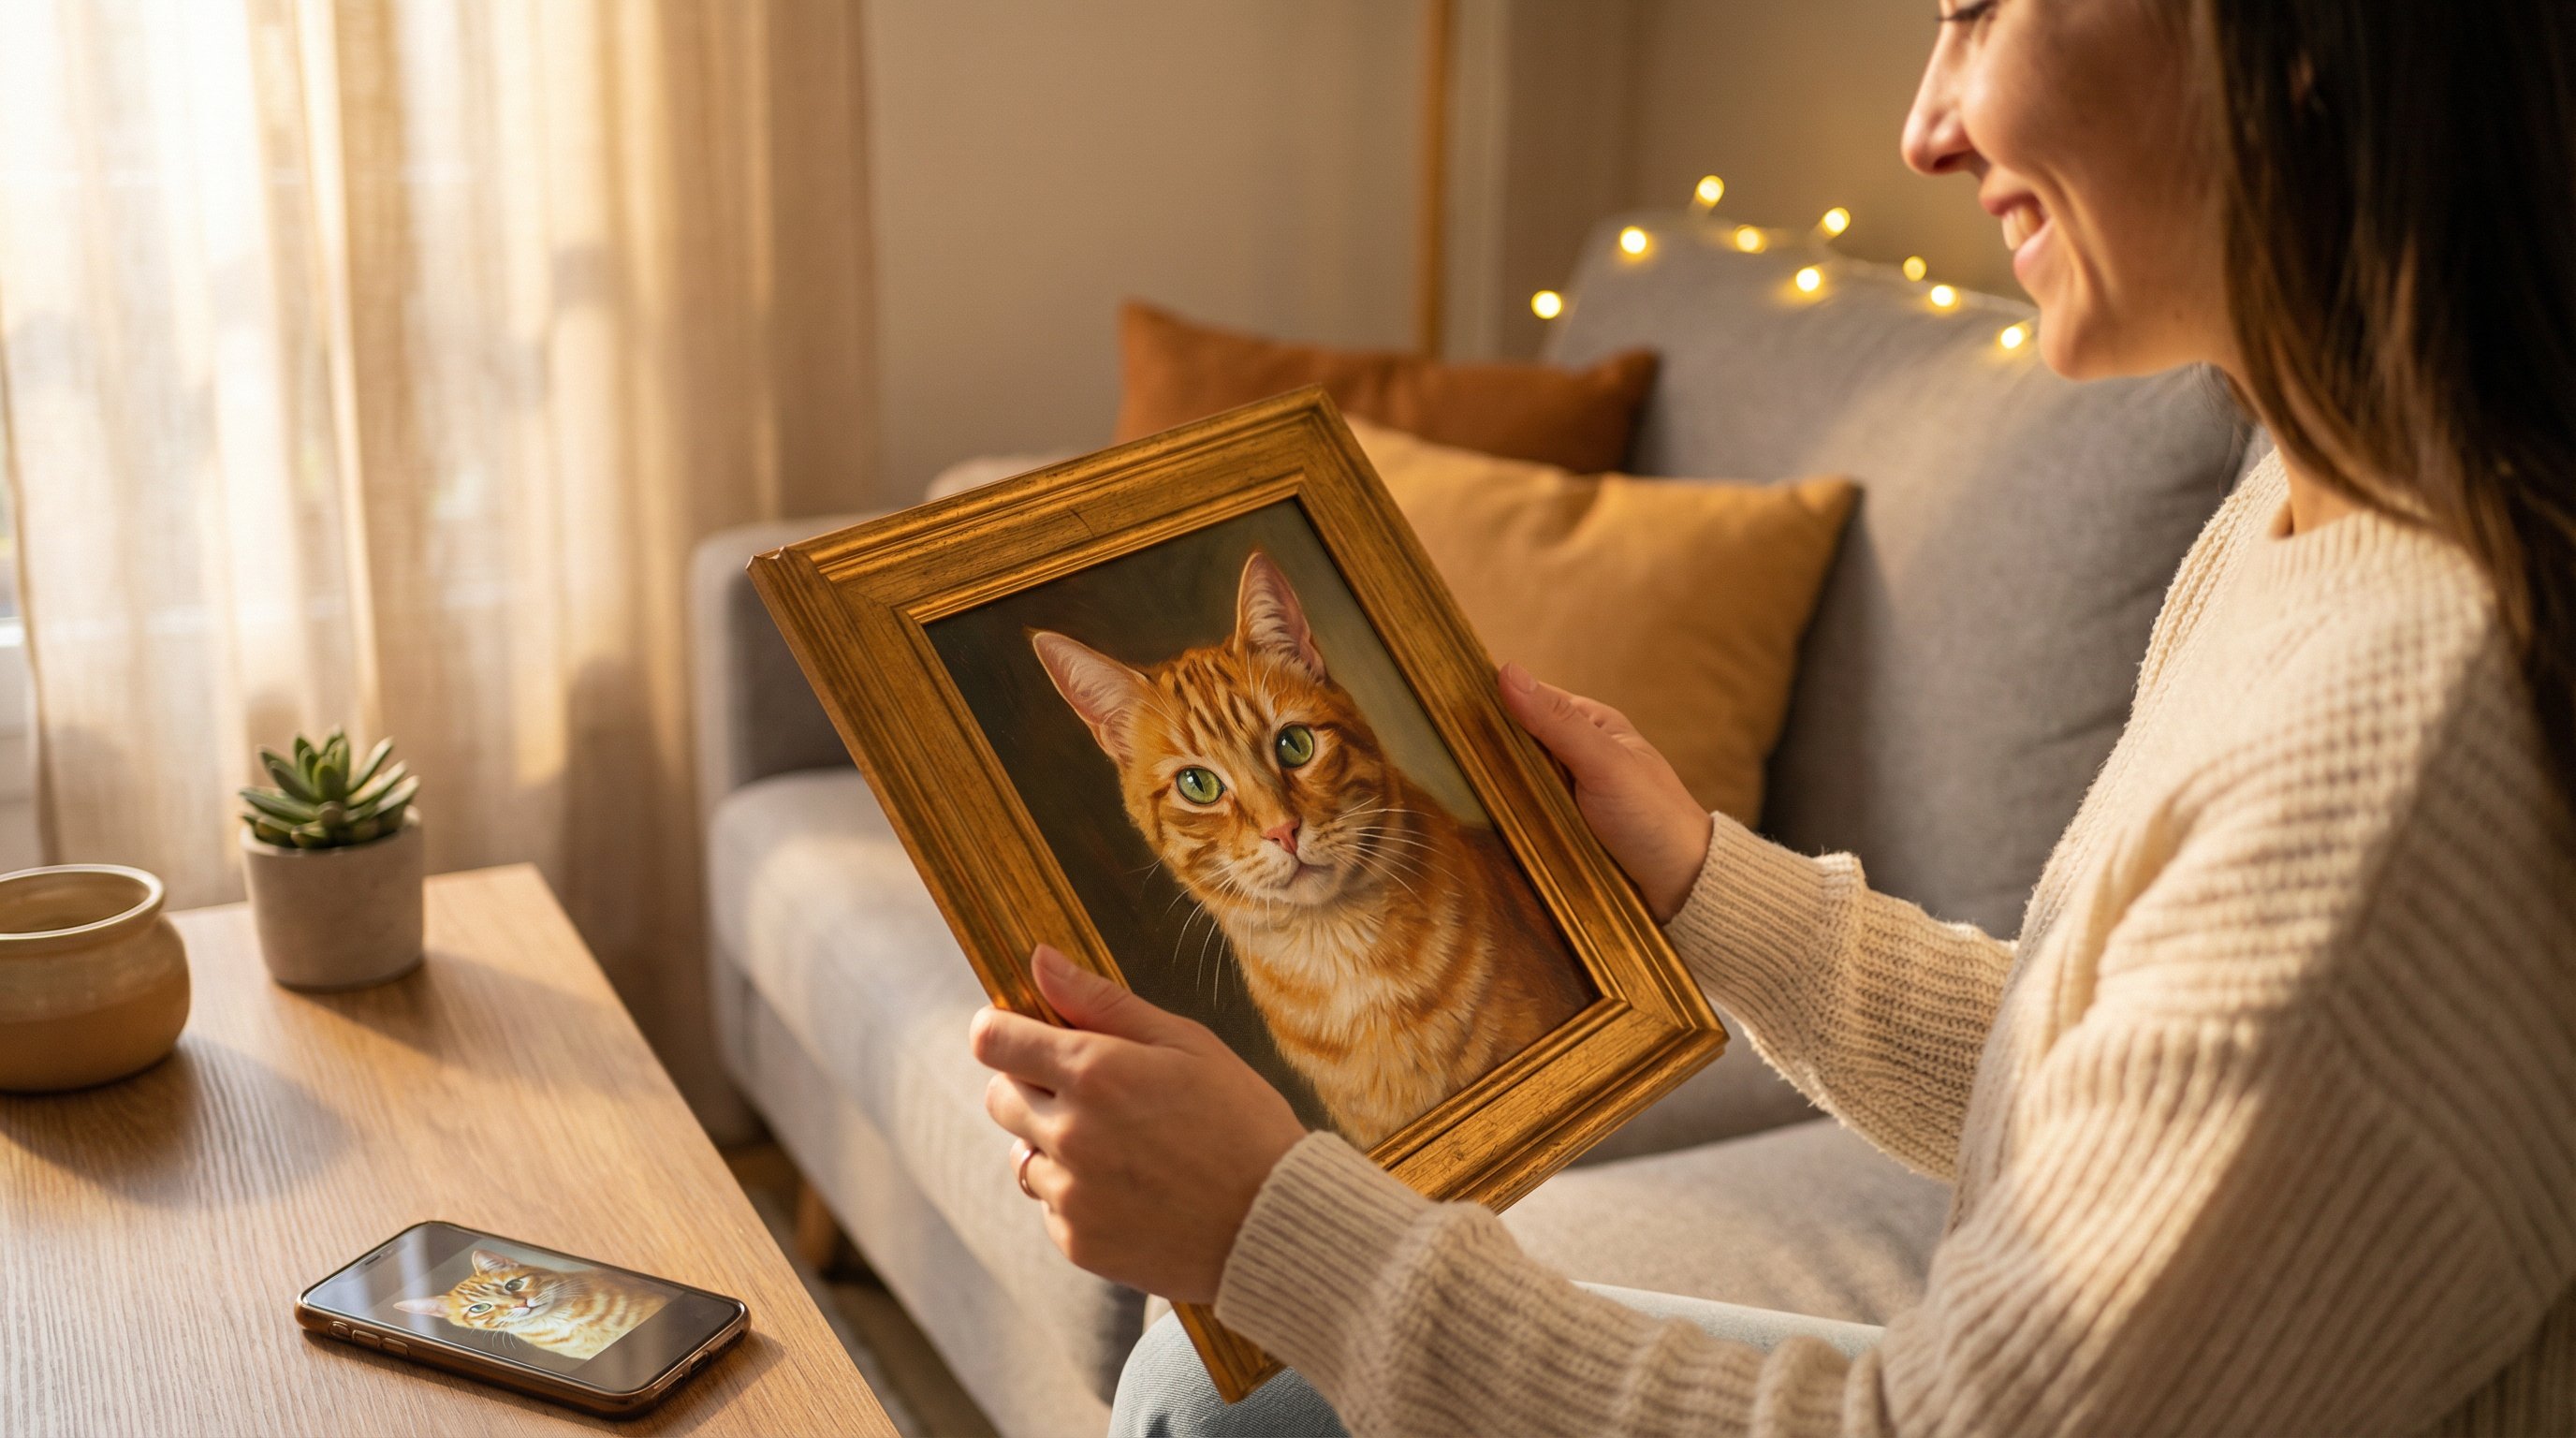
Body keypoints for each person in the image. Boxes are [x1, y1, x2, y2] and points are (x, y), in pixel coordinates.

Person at [971, 0, 2576, 1431]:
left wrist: (1275, 1223)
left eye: (1976, 11)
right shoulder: (2314, 499)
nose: (1925, 126)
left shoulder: (2400, 751)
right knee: (1211, 1379)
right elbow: (2103, 1071)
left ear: (2294, 41)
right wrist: (1696, 884)